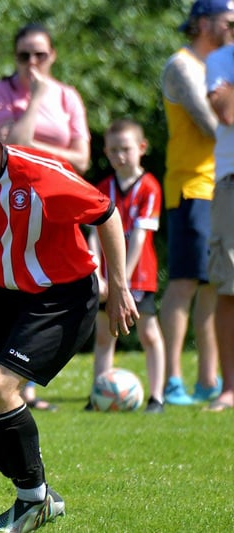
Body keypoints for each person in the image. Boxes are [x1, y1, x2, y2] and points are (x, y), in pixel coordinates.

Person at [0, 88, 137, 533]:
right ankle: (35, 495)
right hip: (10, 295)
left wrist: (122, 289)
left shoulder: (39, 173)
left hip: (63, 297)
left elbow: (107, 214)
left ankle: (32, 501)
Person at [0, 22, 92, 410]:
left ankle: (25, 382)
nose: (32, 63)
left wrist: (34, 140)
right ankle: (6, 381)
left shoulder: (67, 97)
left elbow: (83, 159)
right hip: (12, 208)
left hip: (57, 206)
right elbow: (7, 148)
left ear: (53, 56)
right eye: (24, 55)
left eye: (40, 55)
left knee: (54, 282)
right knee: (10, 285)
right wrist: (34, 100)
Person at [159, 0, 233, 405]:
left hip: (217, 186)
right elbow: (211, 124)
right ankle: (171, 380)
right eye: (229, 21)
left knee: (213, 285)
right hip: (190, 186)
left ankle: (207, 379)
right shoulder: (183, 65)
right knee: (186, 283)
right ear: (204, 23)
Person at [86, 119, 166, 414]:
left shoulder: (149, 187)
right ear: (106, 152)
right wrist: (98, 273)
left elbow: (140, 237)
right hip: (106, 280)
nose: (120, 156)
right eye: (114, 150)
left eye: (126, 149)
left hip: (138, 277)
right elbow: (94, 234)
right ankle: (99, 395)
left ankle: (157, 397)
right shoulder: (103, 187)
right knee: (105, 334)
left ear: (142, 149)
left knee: (148, 334)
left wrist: (124, 278)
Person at [205, 33, 234, 411]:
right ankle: (230, 387)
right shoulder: (220, 59)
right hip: (232, 179)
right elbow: (227, 111)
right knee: (230, 287)